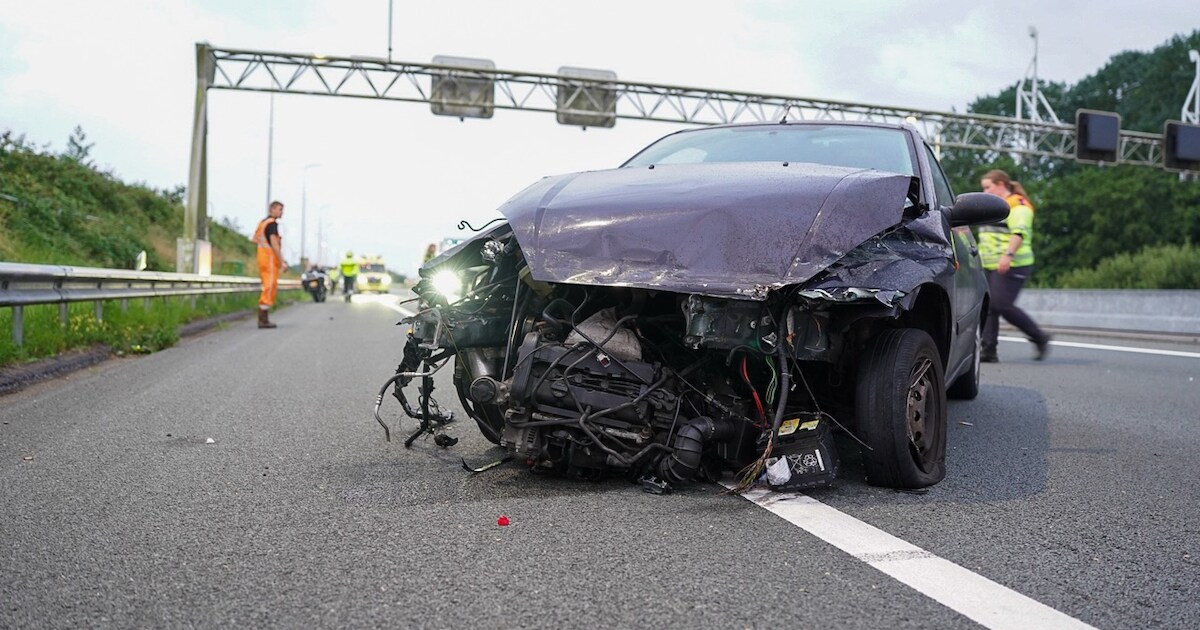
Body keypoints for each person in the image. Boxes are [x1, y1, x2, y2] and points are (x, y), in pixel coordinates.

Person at [978, 169, 1051, 362]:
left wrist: (1007, 255)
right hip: (989, 264)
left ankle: (1039, 337)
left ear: (1001, 184)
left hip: (1013, 263)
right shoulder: (993, 207)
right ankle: (988, 351)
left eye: (988, 187)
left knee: (1001, 305)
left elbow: (1019, 233)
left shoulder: (1018, 206)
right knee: (989, 306)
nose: (985, 192)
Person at [251, 200, 287, 329]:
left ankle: (263, 317)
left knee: (268, 285)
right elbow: (274, 244)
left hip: (262, 257)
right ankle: (263, 319)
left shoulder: (263, 223)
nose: (282, 212)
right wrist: (282, 261)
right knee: (270, 286)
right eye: (280, 209)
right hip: (269, 259)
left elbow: (255, 239)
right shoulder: (271, 224)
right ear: (272, 209)